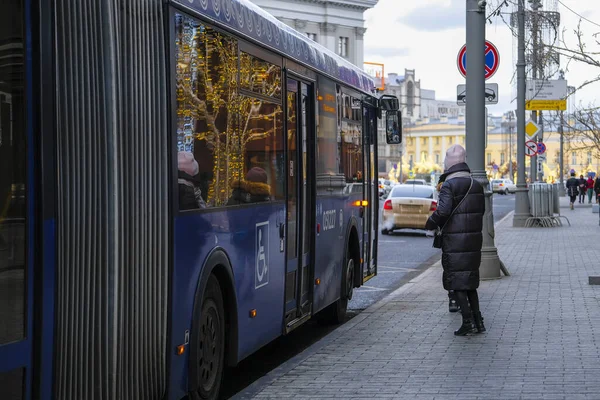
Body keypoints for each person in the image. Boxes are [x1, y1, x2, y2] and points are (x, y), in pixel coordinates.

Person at [426, 144, 485, 336]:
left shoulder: (449, 185)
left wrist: (430, 223)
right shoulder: (476, 185)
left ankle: (467, 322)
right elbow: (482, 212)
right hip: (473, 241)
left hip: (455, 241)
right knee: (470, 282)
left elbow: (443, 212)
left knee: (457, 282)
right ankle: (479, 322)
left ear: (450, 162)